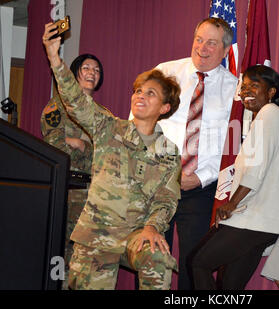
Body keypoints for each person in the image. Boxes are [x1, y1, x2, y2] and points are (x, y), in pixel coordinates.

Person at [42, 22, 182, 290]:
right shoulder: (108, 126)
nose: (140, 96)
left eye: (150, 93)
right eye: (138, 91)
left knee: (159, 258)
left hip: (135, 235)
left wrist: (153, 227)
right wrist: (54, 57)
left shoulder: (169, 152)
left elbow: (166, 199)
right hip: (96, 234)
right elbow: (76, 102)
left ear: (164, 107)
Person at [129, 17, 238, 289]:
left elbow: (233, 147)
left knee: (194, 262)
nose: (202, 47)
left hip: (199, 190)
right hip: (156, 184)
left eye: (211, 43)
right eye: (198, 39)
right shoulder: (165, 73)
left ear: (225, 51)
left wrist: (201, 178)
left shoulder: (236, 89)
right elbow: (138, 121)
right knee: (149, 255)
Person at [191, 65, 279, 289]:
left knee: (199, 263)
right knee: (230, 286)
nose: (246, 90)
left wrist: (232, 204)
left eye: (254, 85)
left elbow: (256, 170)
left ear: (271, 92)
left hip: (255, 218)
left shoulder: (268, 114)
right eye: (244, 85)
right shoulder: (271, 117)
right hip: (266, 221)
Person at [40, 53, 103, 290]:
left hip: (95, 194)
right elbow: (55, 146)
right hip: (66, 190)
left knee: (88, 257)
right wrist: (89, 149)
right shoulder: (57, 106)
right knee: (61, 253)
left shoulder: (103, 114)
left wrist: (79, 144)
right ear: (75, 72)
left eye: (96, 70)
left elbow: (108, 154)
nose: (91, 73)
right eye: (86, 67)